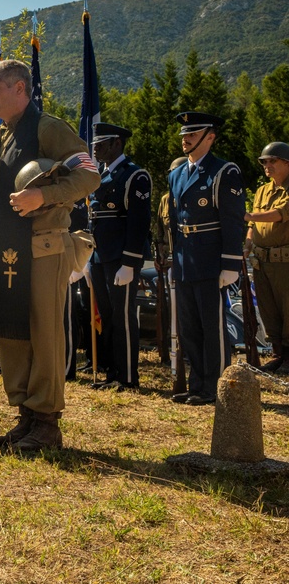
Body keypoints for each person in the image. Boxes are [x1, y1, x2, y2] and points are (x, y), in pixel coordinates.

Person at [0, 59, 100, 451]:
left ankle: (46, 422)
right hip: (6, 249)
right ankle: (26, 416)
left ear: (20, 89)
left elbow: (90, 174)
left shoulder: (48, 128)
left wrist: (44, 194)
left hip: (43, 247)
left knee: (43, 332)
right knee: (12, 330)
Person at [167, 111, 245, 405]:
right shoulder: (176, 175)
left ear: (209, 137)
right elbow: (175, 222)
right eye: (184, 134)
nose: (185, 139)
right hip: (187, 259)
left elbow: (232, 219)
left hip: (212, 259)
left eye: (192, 134)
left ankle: (217, 385)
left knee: (212, 326)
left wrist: (230, 263)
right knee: (189, 327)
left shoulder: (224, 172)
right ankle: (198, 382)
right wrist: (175, 259)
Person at [87, 123, 152, 391]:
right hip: (100, 257)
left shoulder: (135, 176)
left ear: (116, 143)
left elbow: (138, 224)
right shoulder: (98, 176)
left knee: (124, 317)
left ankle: (127, 376)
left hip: (120, 259)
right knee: (109, 315)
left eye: (101, 144)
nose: (96, 149)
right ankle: (113, 372)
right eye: (95, 145)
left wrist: (130, 262)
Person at [244, 141, 289, 374]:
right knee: (268, 309)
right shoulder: (262, 190)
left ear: (287, 163)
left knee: (287, 309)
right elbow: (254, 224)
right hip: (261, 260)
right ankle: (278, 354)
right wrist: (248, 243)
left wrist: (245, 214)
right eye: (264, 162)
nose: (267, 165)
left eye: (273, 161)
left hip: (285, 262)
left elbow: (279, 215)